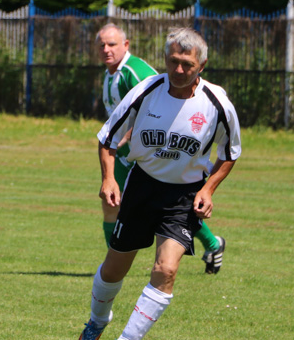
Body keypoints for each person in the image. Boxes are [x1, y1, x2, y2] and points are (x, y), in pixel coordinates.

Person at [76, 27, 241, 340]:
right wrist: (109, 179)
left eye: (187, 65)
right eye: (173, 61)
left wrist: (208, 189)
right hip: (141, 186)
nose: (178, 70)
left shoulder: (217, 104)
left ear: (202, 65)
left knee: (166, 270)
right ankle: (97, 322)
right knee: (113, 270)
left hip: (183, 196)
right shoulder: (146, 90)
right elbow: (107, 138)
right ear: (165, 59)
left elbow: (230, 153)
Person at [96, 23, 227, 274]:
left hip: (151, 154)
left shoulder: (135, 73)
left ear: (126, 45)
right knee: (111, 202)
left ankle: (212, 243)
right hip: (123, 154)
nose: (106, 49)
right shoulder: (111, 73)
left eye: (112, 44)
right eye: (101, 45)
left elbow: (156, 102)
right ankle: (114, 260)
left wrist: (133, 135)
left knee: (164, 204)